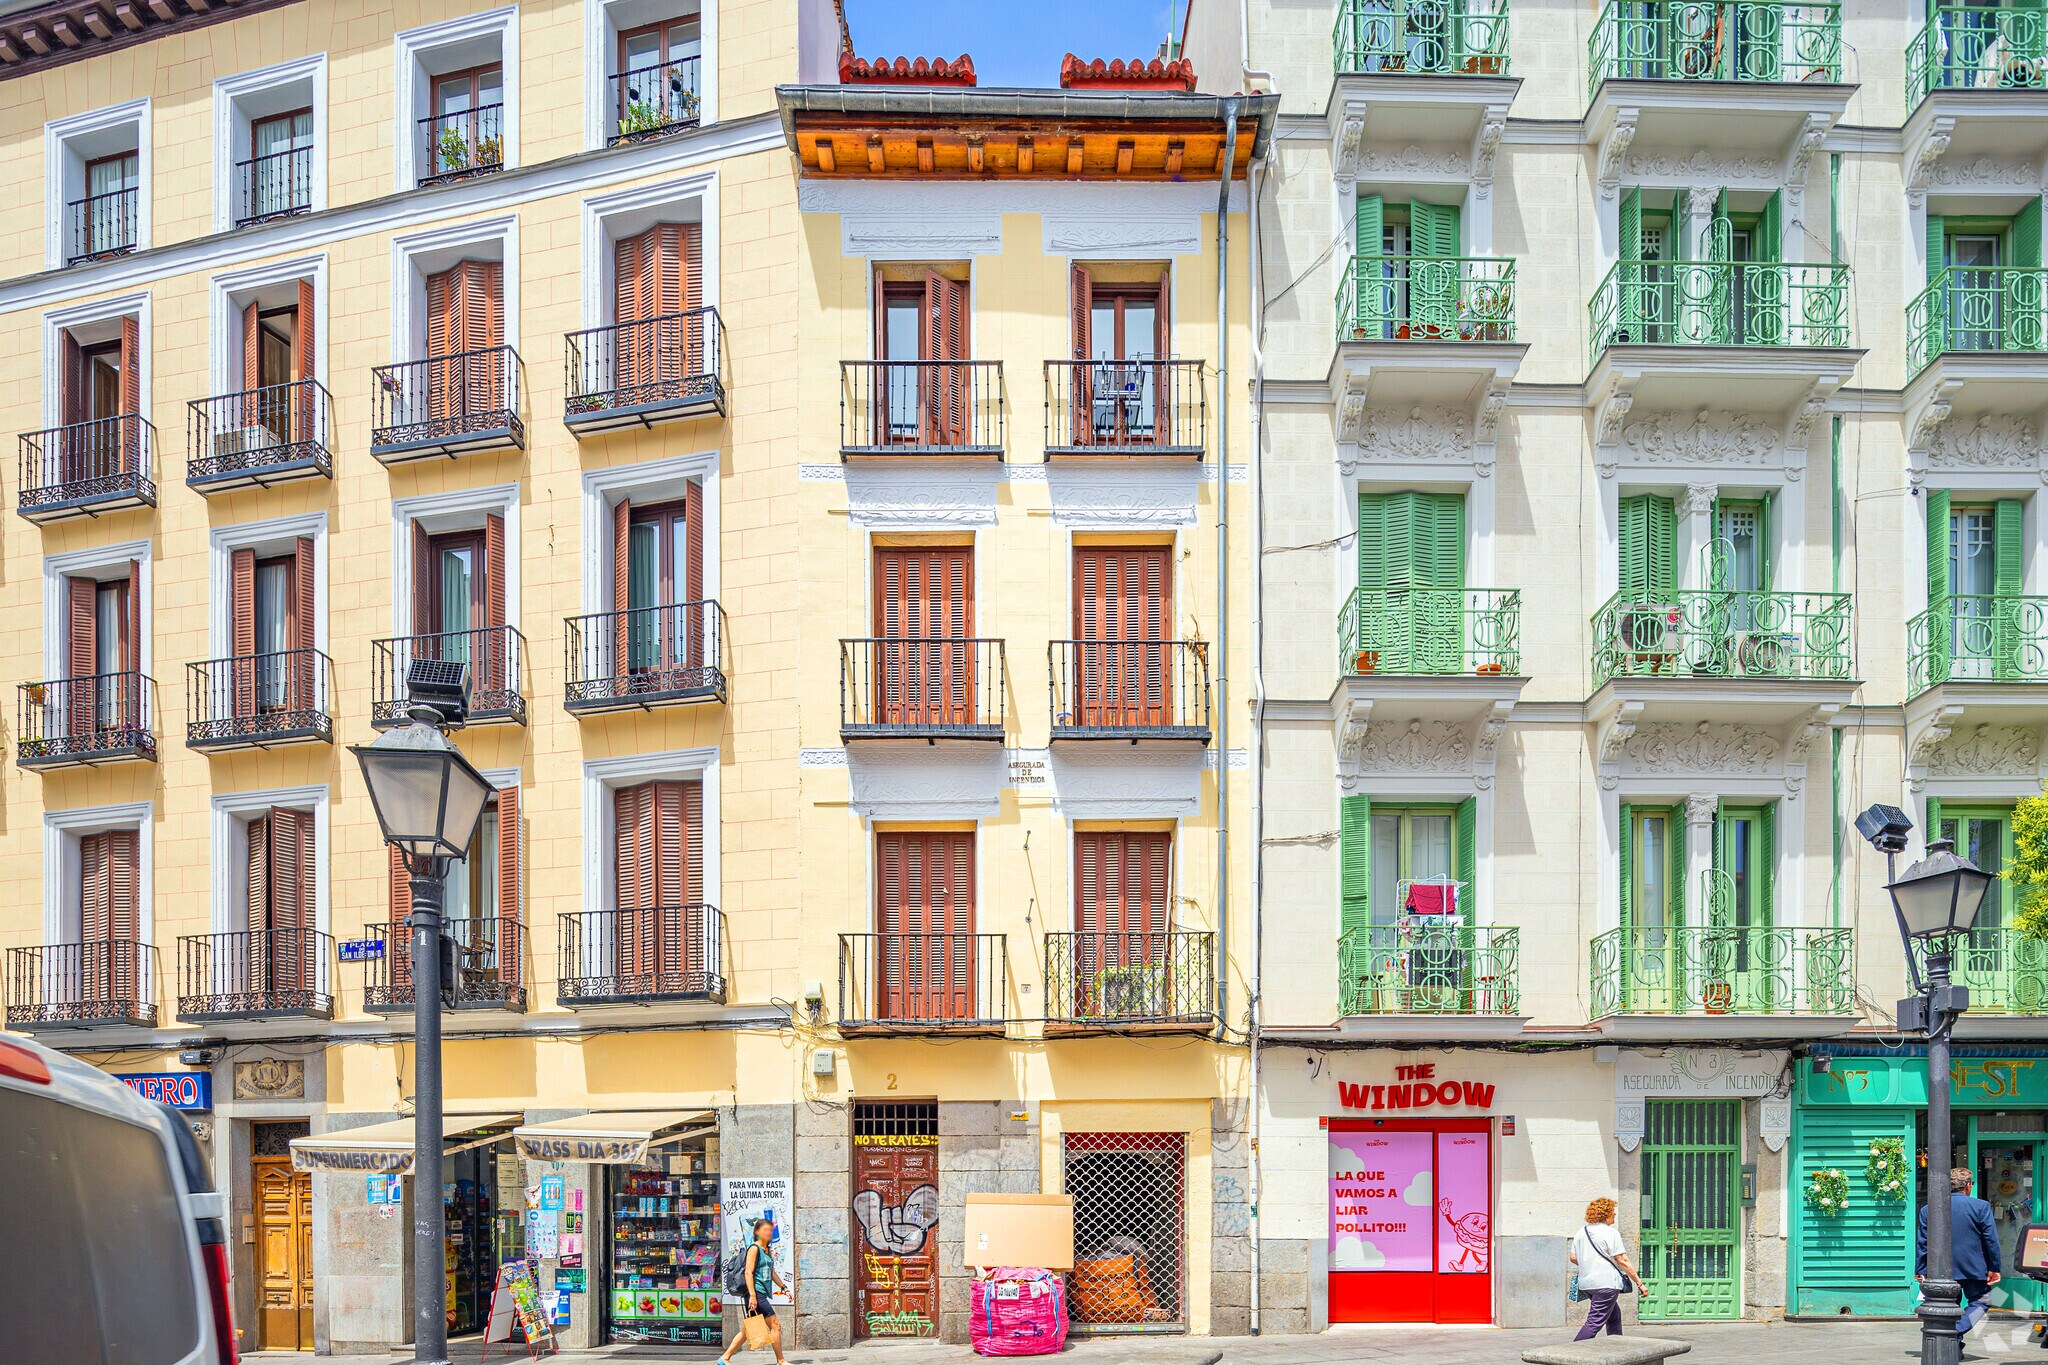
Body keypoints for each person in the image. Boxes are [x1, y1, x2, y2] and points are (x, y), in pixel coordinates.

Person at [1917, 1166, 2003, 1336]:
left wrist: (1920, 1269)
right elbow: (1991, 1240)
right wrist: (1994, 1267)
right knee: (1982, 1301)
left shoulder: (1928, 1209)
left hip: (1940, 1269)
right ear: (1968, 1185)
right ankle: (1956, 1332)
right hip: (1973, 1266)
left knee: (1948, 1306)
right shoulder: (1981, 1207)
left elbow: (1923, 1241)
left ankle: (1954, 1343)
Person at [1570, 1196, 1648, 1340]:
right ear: (1605, 1214)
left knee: (1614, 1316)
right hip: (1606, 1283)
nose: (1615, 1214)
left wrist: (1590, 1263)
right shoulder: (1611, 1233)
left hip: (1587, 1284)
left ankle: (1615, 1345)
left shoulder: (1581, 1232)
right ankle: (1572, 1353)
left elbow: (1573, 1257)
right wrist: (1639, 1283)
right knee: (1594, 1323)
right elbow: (1622, 1260)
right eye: (1613, 1211)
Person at [719, 1218, 790, 1365]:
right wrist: (752, 1296)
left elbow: (771, 1272)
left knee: (748, 1330)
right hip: (755, 1293)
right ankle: (781, 1361)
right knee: (775, 1325)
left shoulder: (767, 1250)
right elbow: (748, 1273)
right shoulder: (754, 1248)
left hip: (760, 1293)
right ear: (757, 1232)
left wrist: (784, 1288)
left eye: (770, 1230)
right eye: (765, 1230)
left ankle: (724, 1358)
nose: (768, 1233)